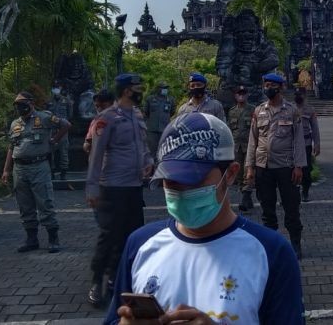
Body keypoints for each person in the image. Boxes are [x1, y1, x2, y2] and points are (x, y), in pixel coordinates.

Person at [104, 112, 305, 325]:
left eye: (194, 181)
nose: (181, 191)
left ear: (230, 174)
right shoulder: (140, 244)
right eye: (171, 182)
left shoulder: (272, 252)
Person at [86, 74, 154, 307]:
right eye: (138, 87)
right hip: (112, 187)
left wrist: (148, 161)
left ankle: (118, 278)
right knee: (109, 235)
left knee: (132, 234)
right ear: (126, 91)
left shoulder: (136, 115)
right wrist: (92, 188)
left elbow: (142, 145)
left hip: (134, 186)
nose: (141, 90)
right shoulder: (106, 119)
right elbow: (96, 155)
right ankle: (97, 281)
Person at [246, 73, 306, 259]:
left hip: (286, 166)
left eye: (271, 85)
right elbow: (252, 140)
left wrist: (299, 166)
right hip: (264, 167)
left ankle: (295, 243)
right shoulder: (258, 111)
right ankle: (271, 245)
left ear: (280, 87)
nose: (267, 88)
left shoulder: (291, 111)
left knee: (291, 207)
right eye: (266, 84)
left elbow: (298, 140)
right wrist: (250, 167)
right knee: (267, 209)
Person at [1, 92, 70, 253]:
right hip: (20, 168)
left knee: (45, 202)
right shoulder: (15, 124)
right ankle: (31, 239)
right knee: (25, 205)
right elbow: (11, 147)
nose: (19, 107)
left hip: (39, 166)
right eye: (17, 104)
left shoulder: (44, 117)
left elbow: (66, 125)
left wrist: (55, 140)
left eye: (22, 103)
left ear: (31, 103)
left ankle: (53, 238)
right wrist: (6, 170)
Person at [227, 85, 256, 211]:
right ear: (235, 95)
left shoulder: (253, 110)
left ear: (247, 95)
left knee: (248, 172)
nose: (241, 96)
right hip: (236, 146)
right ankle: (247, 198)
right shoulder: (232, 111)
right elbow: (229, 129)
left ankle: (246, 196)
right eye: (239, 93)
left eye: (243, 93)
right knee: (238, 174)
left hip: (249, 146)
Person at [295, 88, 321, 202]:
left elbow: (315, 128)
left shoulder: (310, 110)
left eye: (300, 94)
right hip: (291, 145)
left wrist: (317, 144)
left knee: (306, 170)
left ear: (304, 95)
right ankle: (291, 194)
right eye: (296, 94)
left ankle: (305, 192)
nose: (298, 96)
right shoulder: (289, 108)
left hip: (306, 144)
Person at [47, 79, 74, 183]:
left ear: (61, 88)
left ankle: (63, 174)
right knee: (51, 151)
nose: (56, 89)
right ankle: (52, 173)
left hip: (63, 130)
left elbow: (70, 115)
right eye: (54, 87)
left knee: (64, 152)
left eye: (57, 87)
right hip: (51, 129)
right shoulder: (48, 101)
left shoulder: (66, 101)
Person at [143, 83, 172, 161]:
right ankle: (150, 168)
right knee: (151, 151)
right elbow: (146, 112)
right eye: (163, 88)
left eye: (166, 88)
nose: (165, 90)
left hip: (164, 130)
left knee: (163, 150)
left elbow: (172, 112)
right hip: (152, 130)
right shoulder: (150, 99)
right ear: (158, 89)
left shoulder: (170, 100)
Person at [83, 88, 116, 155]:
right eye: (97, 106)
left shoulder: (121, 120)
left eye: (103, 105)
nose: (99, 109)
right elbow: (87, 144)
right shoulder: (95, 122)